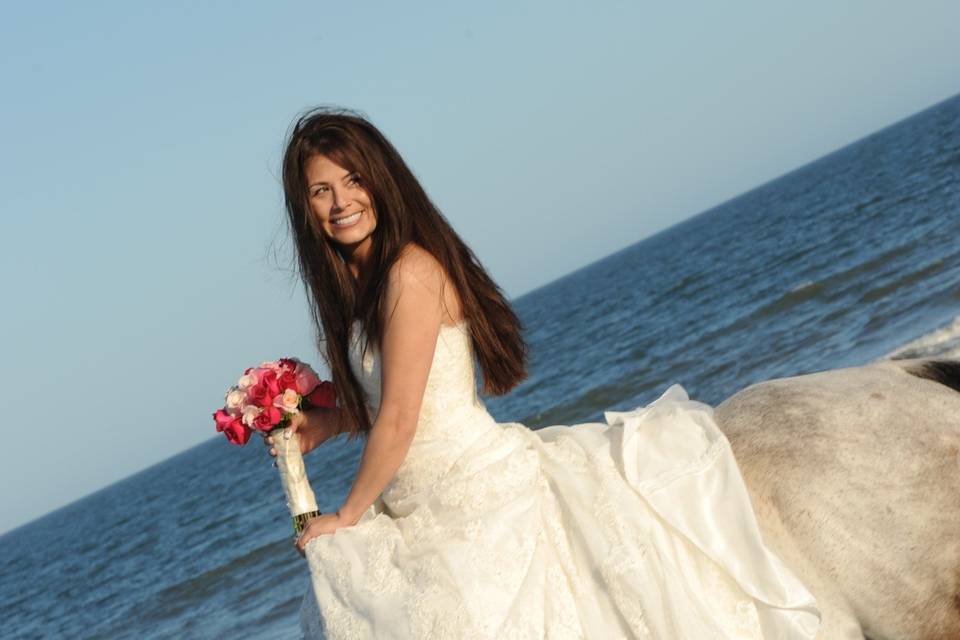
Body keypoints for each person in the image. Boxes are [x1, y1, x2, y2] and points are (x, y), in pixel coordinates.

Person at [264, 107, 821, 639]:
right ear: (306, 207)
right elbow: (392, 400)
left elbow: (403, 419)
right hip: (415, 505)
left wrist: (348, 515)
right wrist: (327, 423)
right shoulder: (363, 289)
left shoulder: (409, 274)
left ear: (381, 180)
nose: (342, 202)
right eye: (321, 190)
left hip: (472, 491)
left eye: (353, 180)